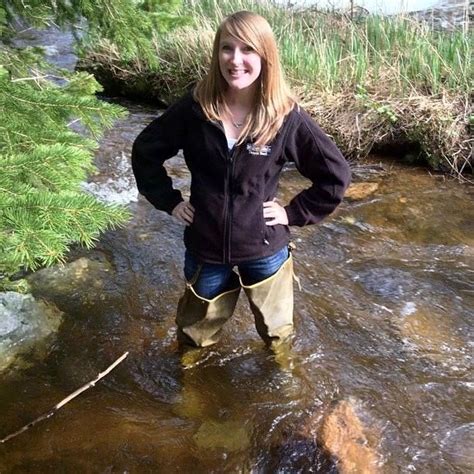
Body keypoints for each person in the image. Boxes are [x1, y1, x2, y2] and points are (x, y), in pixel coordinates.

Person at [132, 11, 351, 349]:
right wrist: (170, 202)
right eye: (226, 48)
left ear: (265, 55)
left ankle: (284, 382)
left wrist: (291, 214)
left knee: (277, 338)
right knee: (194, 337)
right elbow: (145, 151)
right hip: (205, 246)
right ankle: (191, 389)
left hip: (264, 248)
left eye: (247, 49)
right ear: (216, 52)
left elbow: (335, 175)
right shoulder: (196, 108)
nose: (235, 60)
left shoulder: (284, 116)